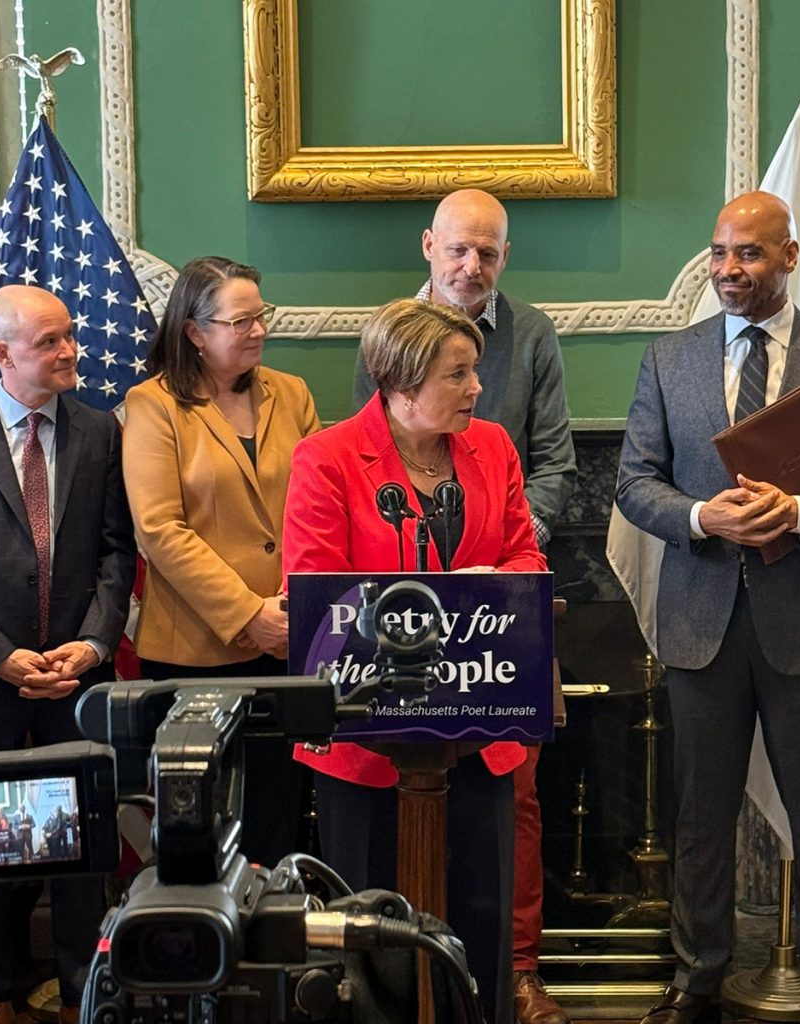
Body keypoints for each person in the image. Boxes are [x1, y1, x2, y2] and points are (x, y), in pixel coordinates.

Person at [616, 192, 800, 1024]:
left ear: (788, 256)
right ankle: (696, 980)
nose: (727, 271)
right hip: (699, 624)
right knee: (699, 816)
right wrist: (700, 516)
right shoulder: (668, 360)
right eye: (717, 253)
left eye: (747, 254)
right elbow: (636, 482)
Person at [285, 297, 548, 1024]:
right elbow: (315, 588)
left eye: (473, 371)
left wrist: (478, 590)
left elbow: (524, 552)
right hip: (364, 743)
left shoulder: (492, 447)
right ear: (400, 385)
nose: (476, 388)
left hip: (478, 729)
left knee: (481, 917)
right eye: (458, 374)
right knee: (374, 932)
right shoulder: (328, 458)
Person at [354, 188, 576, 1024]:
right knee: (398, 798)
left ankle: (514, 973)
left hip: (501, 613)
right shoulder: (384, 336)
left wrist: (498, 566)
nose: (471, 266)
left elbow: (552, 465)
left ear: (504, 258)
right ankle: (399, 986)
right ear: (428, 248)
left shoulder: (536, 335)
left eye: (487, 252)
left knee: (511, 802)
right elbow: (365, 459)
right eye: (458, 250)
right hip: (399, 627)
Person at [121, 256, 320, 869]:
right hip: (195, 653)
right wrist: (245, 614)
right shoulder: (153, 404)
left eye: (261, 316)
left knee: (279, 825)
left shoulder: (292, 394)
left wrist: (287, 605)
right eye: (241, 321)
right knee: (202, 835)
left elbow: (319, 507)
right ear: (194, 332)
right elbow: (159, 530)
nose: (258, 329)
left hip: (288, 644)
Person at [0, 284, 136, 1024]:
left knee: (84, 843)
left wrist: (96, 641)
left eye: (70, 335)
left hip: (78, 679)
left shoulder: (100, 431)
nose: (71, 350)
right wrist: (0, 658)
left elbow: (117, 552)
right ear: (0, 354)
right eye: (49, 342)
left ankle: (86, 991)